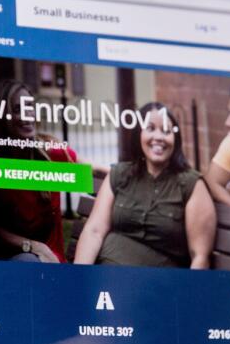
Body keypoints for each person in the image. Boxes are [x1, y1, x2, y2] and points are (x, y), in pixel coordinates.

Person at [74, 102, 216, 269]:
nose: (159, 137)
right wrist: (80, 279)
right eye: (150, 128)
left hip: (155, 286)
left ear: (175, 139)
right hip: (103, 277)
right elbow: (94, 231)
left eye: (166, 131)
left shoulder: (191, 185)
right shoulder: (120, 174)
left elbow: (199, 257)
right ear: (138, 135)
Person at [0, 79, 78, 262]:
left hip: (51, 261)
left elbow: (90, 170)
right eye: (16, 109)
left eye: (29, 106)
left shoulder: (50, 152)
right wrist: (33, 246)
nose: (26, 115)